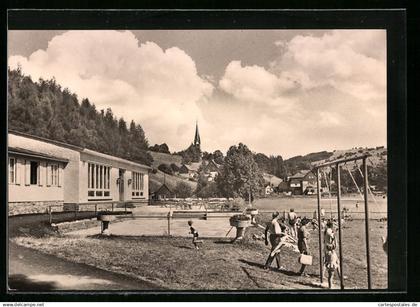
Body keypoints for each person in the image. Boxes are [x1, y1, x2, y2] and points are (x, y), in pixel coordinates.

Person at [324, 220, 341, 289]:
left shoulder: (328, 230)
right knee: (331, 271)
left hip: (330, 251)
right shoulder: (328, 231)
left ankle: (340, 277)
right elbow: (334, 241)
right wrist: (335, 233)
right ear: (331, 225)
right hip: (330, 251)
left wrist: (335, 231)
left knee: (338, 262)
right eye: (334, 225)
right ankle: (330, 286)